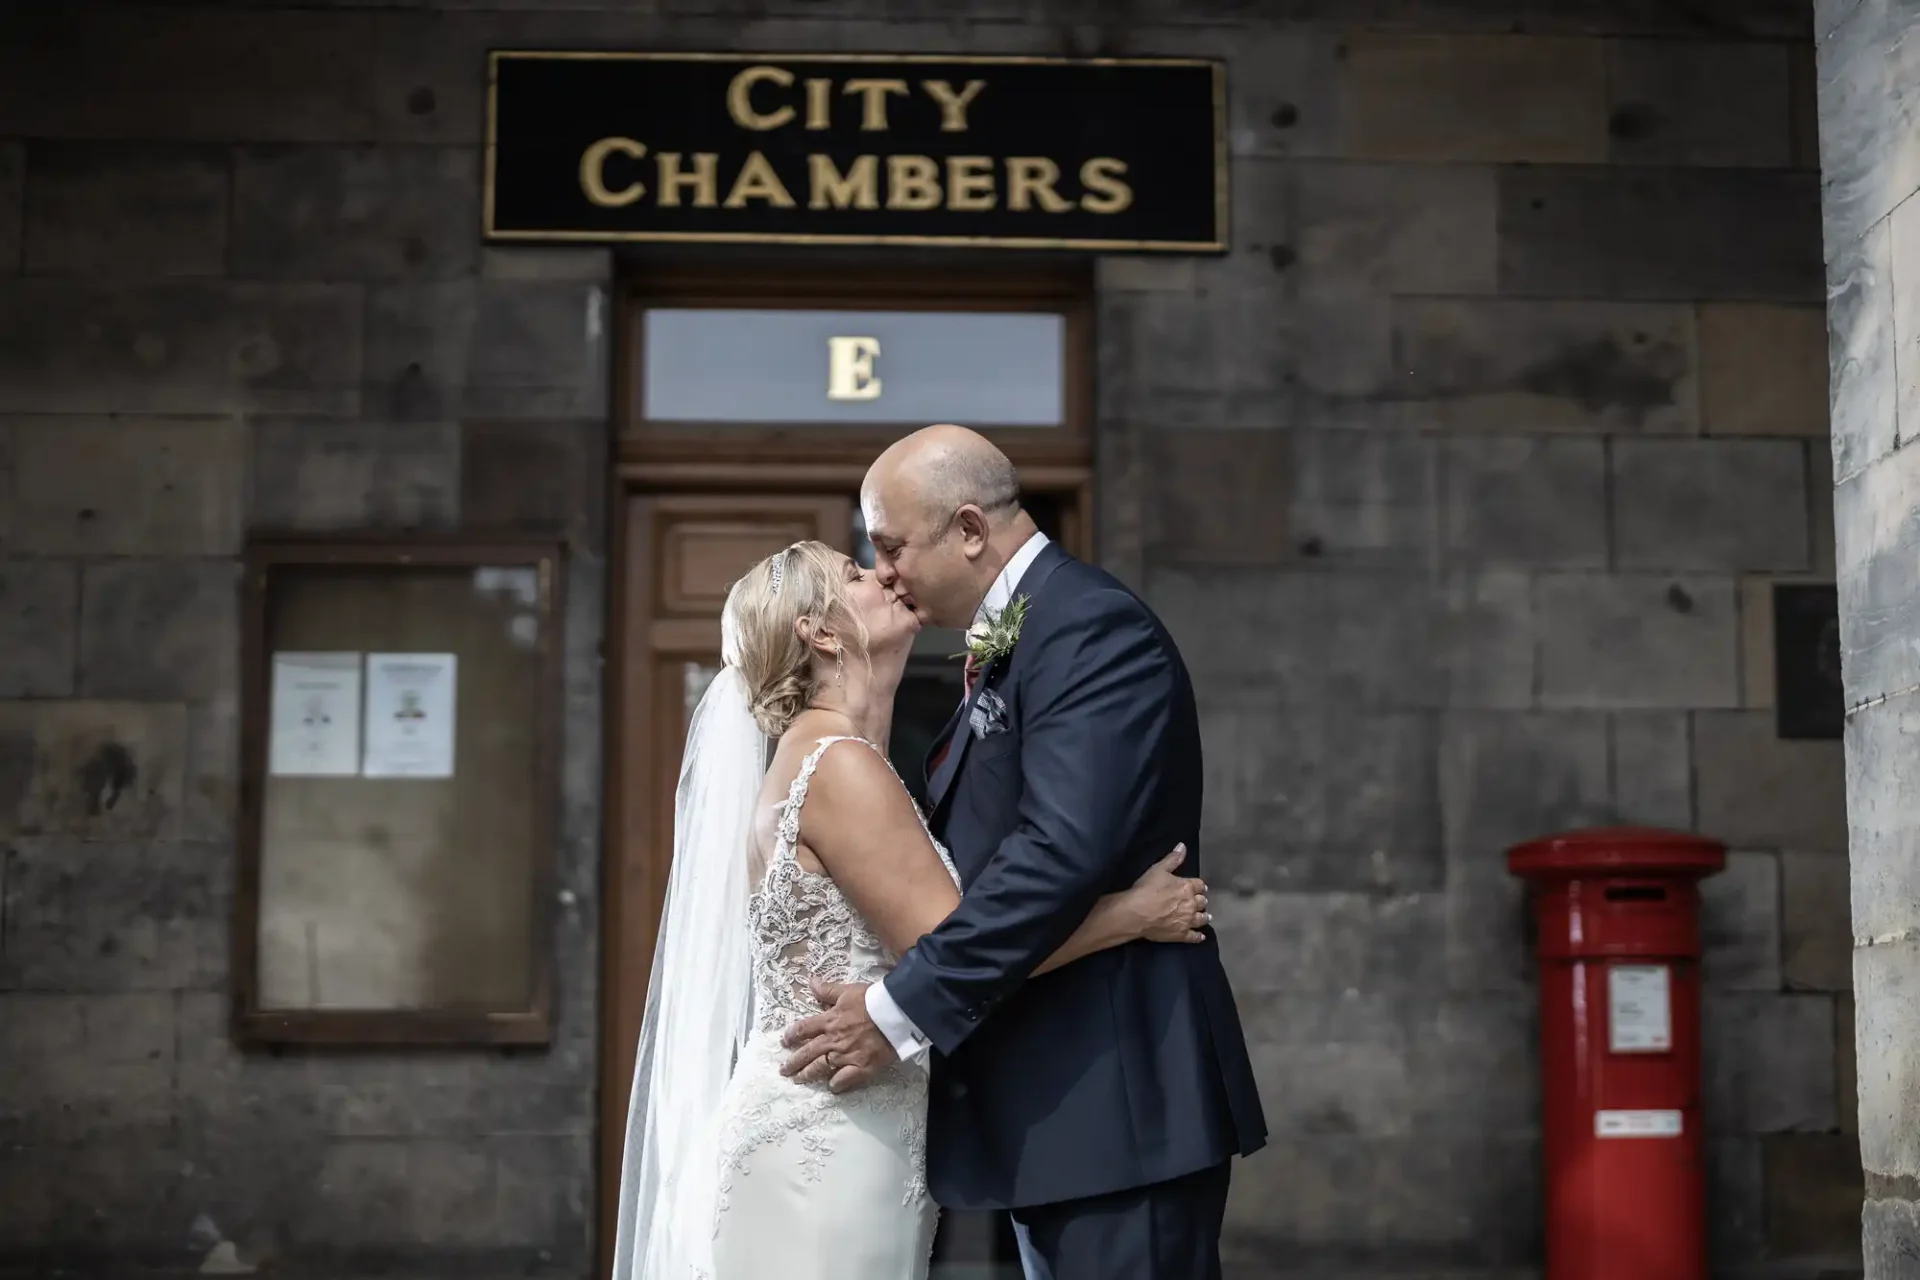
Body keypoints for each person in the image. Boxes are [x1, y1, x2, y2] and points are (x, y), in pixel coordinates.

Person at [610, 537, 1213, 1280]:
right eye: (859, 573)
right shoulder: (839, 768)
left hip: (856, 1126)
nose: (885, 576)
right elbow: (953, 948)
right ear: (821, 632)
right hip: (827, 1141)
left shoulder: (830, 760)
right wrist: (1127, 917)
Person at [780, 425, 1268, 1280]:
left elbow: (1057, 851)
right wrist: (1120, 917)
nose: (884, 570)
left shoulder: (1089, 628)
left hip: (1117, 1103)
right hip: (1060, 1107)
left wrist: (897, 1013)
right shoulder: (1018, 639)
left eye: (891, 547)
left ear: (970, 530)